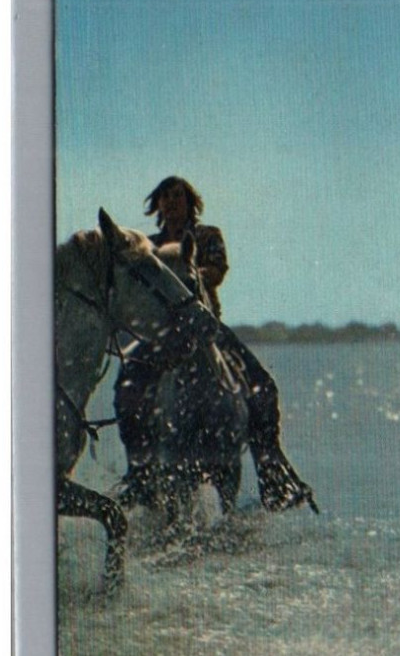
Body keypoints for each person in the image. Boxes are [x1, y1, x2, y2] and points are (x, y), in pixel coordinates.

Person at [115, 176, 316, 513]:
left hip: (205, 326)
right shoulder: (148, 246)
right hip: (163, 331)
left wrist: (183, 273)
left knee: (262, 387)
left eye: (178, 195)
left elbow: (218, 270)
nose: (172, 201)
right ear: (158, 204)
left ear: (190, 201)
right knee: (127, 385)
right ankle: (139, 470)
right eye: (166, 196)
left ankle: (269, 468)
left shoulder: (208, 236)